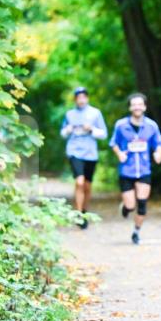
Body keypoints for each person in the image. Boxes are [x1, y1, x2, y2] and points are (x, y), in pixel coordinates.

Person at [110, 93, 161, 245]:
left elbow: (159, 143)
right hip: (127, 170)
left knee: (142, 203)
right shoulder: (121, 125)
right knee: (131, 205)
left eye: (140, 104)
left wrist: (158, 153)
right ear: (130, 107)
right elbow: (113, 143)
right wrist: (119, 153)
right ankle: (126, 208)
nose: (137, 107)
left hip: (144, 170)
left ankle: (136, 231)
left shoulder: (151, 126)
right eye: (134, 104)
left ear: (145, 107)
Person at [60, 87, 108, 228]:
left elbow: (104, 134)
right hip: (74, 151)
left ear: (87, 98)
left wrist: (92, 129)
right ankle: (79, 214)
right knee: (79, 182)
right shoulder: (69, 114)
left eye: (83, 97)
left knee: (87, 185)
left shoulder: (95, 113)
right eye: (78, 97)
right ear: (75, 99)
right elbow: (62, 133)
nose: (81, 100)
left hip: (90, 153)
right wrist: (67, 130)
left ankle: (84, 210)